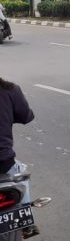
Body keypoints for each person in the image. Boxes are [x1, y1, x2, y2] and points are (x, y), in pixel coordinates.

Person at [0, 78, 34, 207]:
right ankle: (26, 217)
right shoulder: (10, 89)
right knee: (20, 174)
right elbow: (26, 116)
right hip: (4, 161)